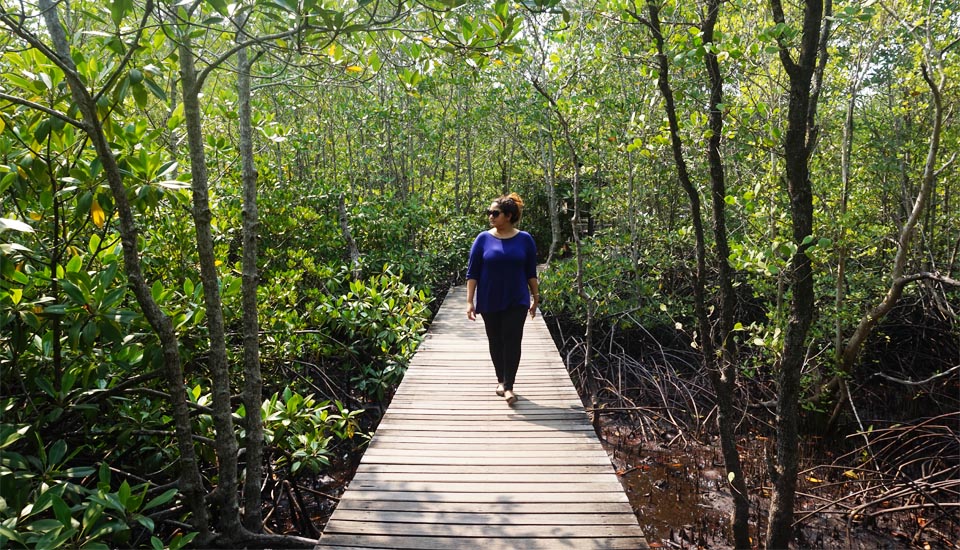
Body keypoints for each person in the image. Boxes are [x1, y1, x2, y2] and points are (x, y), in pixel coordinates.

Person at [465, 193, 539, 405]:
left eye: (495, 213)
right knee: (496, 341)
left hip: (517, 299)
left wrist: (536, 297)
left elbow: (530, 272)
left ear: (508, 216)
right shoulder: (482, 239)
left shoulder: (525, 239)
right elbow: (473, 273)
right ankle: (500, 380)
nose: (490, 216)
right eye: (489, 213)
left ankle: (508, 386)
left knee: (512, 340)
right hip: (490, 299)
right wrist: (470, 301)